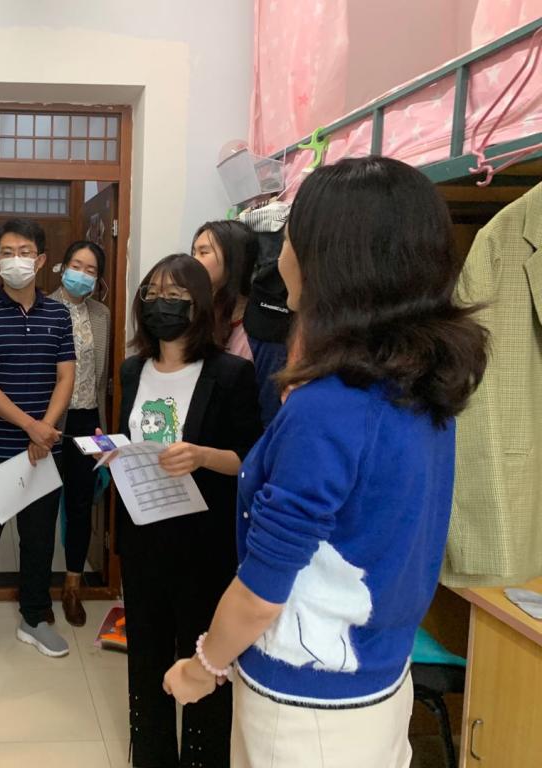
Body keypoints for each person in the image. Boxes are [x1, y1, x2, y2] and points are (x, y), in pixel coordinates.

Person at [163, 157, 489, 768]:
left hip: (303, 710)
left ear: (327, 258)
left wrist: (202, 666)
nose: (279, 254)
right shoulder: (422, 384)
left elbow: (262, 592)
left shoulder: (330, 407)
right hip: (379, 683)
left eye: (289, 237)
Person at [115, 254, 262, 767]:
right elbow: (131, 439)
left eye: (175, 296)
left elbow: (250, 458)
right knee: (145, 658)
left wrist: (201, 456)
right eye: (153, 294)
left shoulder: (231, 373)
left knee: (203, 660)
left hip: (204, 545)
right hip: (143, 539)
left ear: (199, 305)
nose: (162, 304)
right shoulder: (132, 370)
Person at [0, 218, 76, 670]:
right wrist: (32, 427)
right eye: (7, 252)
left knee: (39, 539)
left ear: (41, 260)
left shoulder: (58, 314)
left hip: (44, 449)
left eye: (24, 252)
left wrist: (46, 429)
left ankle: (34, 617)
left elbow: (66, 376)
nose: (15, 260)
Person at [49, 240, 111, 626]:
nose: (82, 274)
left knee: (80, 503)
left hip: (88, 422)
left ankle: (73, 585)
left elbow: (102, 377)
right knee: (41, 504)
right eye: (76, 265)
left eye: (91, 270)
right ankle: (36, 586)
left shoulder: (102, 315)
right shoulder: (42, 308)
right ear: (62, 266)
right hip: (49, 421)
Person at [191, 220, 259, 361]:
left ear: (233, 259)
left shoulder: (254, 331)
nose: (193, 261)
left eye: (203, 252)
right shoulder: (191, 313)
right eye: (193, 253)